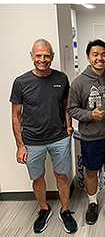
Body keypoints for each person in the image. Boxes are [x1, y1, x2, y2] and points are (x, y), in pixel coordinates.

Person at [10, 39, 78, 234]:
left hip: (59, 138)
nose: (42, 59)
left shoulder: (61, 78)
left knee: (61, 176)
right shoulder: (21, 82)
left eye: (46, 55)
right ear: (31, 56)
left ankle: (65, 210)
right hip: (32, 141)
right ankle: (44, 209)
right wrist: (20, 145)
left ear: (52, 57)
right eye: (38, 55)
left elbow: (66, 106)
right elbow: (15, 115)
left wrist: (69, 127)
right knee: (38, 178)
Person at [67, 39, 105, 226]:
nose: (99, 58)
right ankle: (92, 203)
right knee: (91, 171)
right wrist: (89, 115)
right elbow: (72, 108)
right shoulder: (78, 83)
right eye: (95, 54)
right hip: (90, 137)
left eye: (103, 54)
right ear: (88, 57)